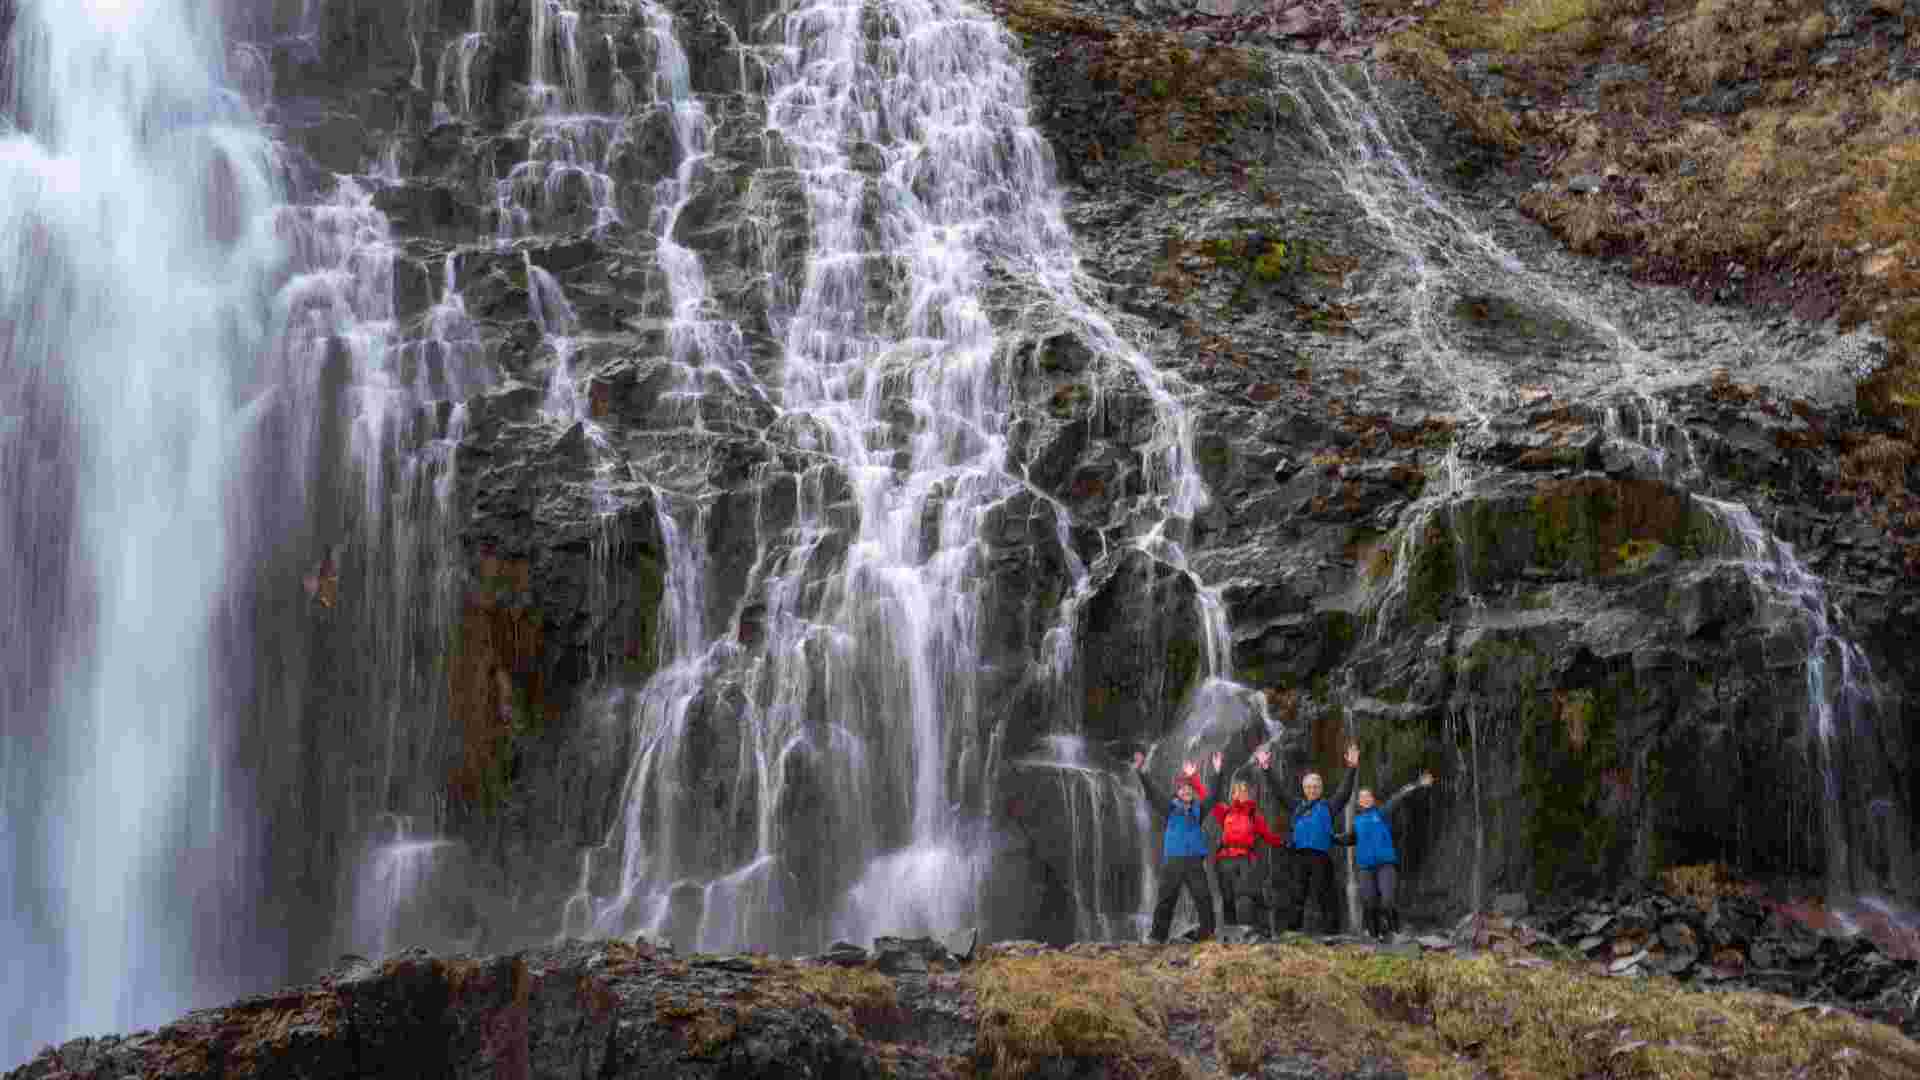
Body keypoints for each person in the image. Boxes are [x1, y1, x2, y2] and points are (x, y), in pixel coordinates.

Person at [1258, 741, 1358, 934]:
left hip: (1321, 856)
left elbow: (1344, 793)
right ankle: (1293, 932)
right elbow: (1279, 792)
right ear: (1304, 788)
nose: (1312, 789)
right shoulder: (1296, 806)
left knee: (1325, 896)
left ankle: (1332, 934)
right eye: (1309, 786)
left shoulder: (1329, 806)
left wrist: (1352, 768)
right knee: (1297, 895)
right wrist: (1266, 768)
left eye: (1316, 786)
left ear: (1321, 788)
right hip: (1299, 856)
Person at [1334, 770, 1436, 939]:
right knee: (1369, 902)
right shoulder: (1357, 821)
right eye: (1362, 797)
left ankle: (1395, 931)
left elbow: (1399, 797)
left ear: (1372, 800)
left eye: (1368, 796)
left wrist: (1418, 784)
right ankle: (1374, 936)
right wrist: (1333, 838)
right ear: (1358, 802)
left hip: (1385, 865)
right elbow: (1350, 838)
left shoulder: (1382, 813)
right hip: (1366, 867)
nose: (1365, 799)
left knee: (1387, 900)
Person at [1135, 750, 1222, 944]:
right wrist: (1141, 772)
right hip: (1173, 859)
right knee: (1166, 899)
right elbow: (1152, 793)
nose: (1186, 791)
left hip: (1193, 861)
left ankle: (1208, 933)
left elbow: (1214, 796)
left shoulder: (1199, 811)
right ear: (1178, 792)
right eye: (1183, 789)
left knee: (1203, 898)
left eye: (1189, 789)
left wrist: (1217, 772)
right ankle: (1157, 937)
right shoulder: (1170, 809)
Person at [1210, 773, 1287, 934]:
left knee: (1249, 895)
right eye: (1237, 791)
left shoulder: (1254, 816)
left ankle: (1257, 931)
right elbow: (1208, 797)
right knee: (1227, 898)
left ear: (1248, 794)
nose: (1241, 794)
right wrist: (1199, 777)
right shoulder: (1224, 812)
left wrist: (1285, 842)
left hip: (1245, 859)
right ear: (1232, 795)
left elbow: (1268, 836)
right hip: (1225, 860)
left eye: (1244, 791)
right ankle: (1229, 932)